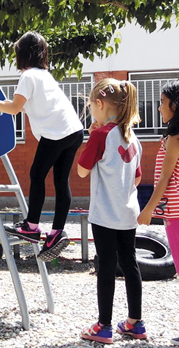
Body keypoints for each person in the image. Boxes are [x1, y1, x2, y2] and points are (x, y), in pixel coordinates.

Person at [0, 31, 84, 260]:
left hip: (57, 132)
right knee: (61, 181)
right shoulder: (44, 76)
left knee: (37, 174)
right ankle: (56, 233)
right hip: (74, 131)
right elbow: (19, 106)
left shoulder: (28, 77)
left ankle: (31, 227)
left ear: (22, 54)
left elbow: (12, 109)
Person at [78, 78, 146, 343]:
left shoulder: (99, 135)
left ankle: (104, 326)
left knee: (106, 266)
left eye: (91, 107)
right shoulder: (134, 138)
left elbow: (82, 171)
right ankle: (135, 323)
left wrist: (91, 138)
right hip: (128, 213)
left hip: (105, 213)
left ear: (100, 103)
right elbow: (137, 178)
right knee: (130, 263)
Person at [137, 79, 179, 345]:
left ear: (175, 106)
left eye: (162, 103)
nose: (160, 108)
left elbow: (164, 180)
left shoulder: (175, 139)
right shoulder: (170, 137)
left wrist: (148, 210)